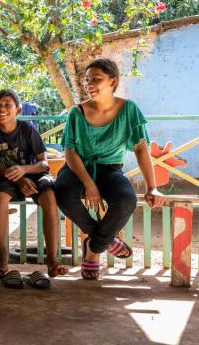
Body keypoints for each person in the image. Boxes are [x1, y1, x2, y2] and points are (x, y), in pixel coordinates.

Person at [54, 58, 164, 280]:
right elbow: (70, 153)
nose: (89, 84)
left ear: (113, 81)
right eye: (87, 80)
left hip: (110, 169)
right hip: (78, 168)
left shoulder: (129, 109)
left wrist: (152, 187)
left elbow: (141, 150)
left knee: (126, 200)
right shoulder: (77, 112)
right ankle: (104, 239)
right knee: (63, 194)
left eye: (96, 79)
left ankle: (93, 249)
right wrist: (88, 183)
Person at [0, 89, 67, 289]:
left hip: (32, 174)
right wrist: (18, 179)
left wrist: (24, 171)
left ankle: (52, 259)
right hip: (7, 177)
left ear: (18, 109)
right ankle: (3, 258)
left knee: (49, 195)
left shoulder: (27, 130)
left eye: (7, 105)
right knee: (0, 198)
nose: (2, 109)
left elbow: (43, 164)